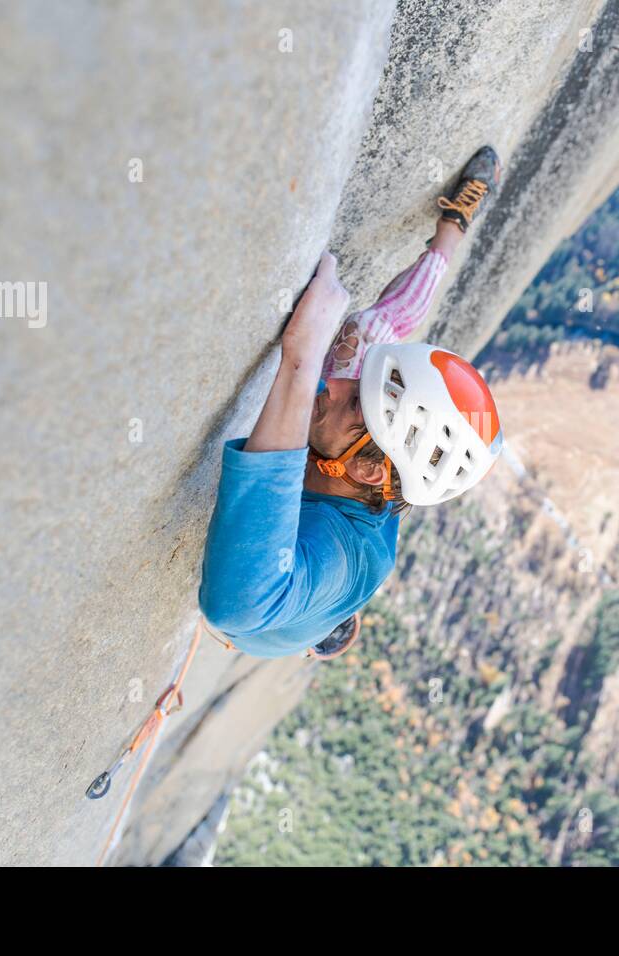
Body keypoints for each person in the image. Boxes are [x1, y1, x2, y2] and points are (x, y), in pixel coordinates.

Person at [198, 147, 505, 660]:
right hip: (334, 576)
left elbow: (235, 607)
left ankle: (328, 623)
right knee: (367, 332)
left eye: (355, 405)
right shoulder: (378, 474)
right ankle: (451, 231)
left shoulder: (336, 557)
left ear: (364, 470)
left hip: (293, 607)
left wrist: (302, 360)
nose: (336, 385)